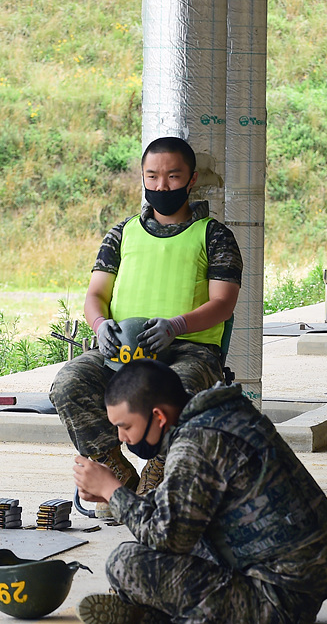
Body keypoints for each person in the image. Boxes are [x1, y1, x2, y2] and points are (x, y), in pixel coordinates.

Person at [73, 362, 327, 624]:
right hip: (297, 583)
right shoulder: (221, 415)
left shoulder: (196, 442)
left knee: (124, 564)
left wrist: (113, 490)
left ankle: (153, 614)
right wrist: (113, 496)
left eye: (126, 426)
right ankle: (149, 612)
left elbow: (168, 536)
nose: (121, 437)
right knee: (152, 539)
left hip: (278, 600)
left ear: (158, 417)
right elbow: (182, 503)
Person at [51, 137, 241, 498]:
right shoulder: (123, 233)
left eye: (172, 176)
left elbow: (223, 303)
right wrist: (99, 324)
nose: (161, 185)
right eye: (152, 176)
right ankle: (111, 465)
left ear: (192, 178)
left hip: (188, 349)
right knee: (69, 383)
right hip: (122, 351)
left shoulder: (214, 236)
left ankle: (158, 467)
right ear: (142, 176)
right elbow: (95, 294)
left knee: (180, 391)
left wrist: (177, 326)